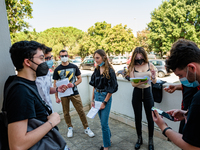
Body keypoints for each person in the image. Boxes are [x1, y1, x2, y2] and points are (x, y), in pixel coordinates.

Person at [3, 41, 62, 149]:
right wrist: (51, 123)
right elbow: (17, 145)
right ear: (28, 62)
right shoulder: (20, 91)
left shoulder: (26, 84)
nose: (45, 62)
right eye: (41, 58)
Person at [152, 39, 200, 149]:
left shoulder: (198, 99)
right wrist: (186, 113)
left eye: (180, 75)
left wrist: (163, 127)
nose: (180, 79)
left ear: (192, 67)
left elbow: (192, 147)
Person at [53, 50, 95, 138]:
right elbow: (55, 84)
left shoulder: (74, 66)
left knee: (81, 111)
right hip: (63, 94)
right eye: (62, 56)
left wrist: (73, 84)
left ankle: (86, 128)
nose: (64, 57)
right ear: (59, 57)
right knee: (66, 112)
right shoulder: (57, 69)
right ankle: (69, 128)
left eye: (65, 55)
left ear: (67, 56)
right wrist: (56, 97)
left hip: (74, 92)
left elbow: (80, 79)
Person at [127, 47, 156, 150]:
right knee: (137, 117)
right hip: (137, 93)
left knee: (150, 118)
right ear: (134, 56)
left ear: (144, 55)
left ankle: (151, 141)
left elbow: (154, 82)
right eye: (137, 56)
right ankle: (139, 139)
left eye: (141, 56)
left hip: (148, 93)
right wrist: (141, 82)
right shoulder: (132, 67)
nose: (139, 58)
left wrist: (153, 76)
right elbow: (133, 84)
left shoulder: (150, 65)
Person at [89, 49, 118, 150]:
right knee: (103, 122)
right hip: (97, 96)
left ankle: (106, 146)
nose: (95, 60)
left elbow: (111, 89)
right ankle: (108, 139)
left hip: (105, 97)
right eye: (95, 58)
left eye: (97, 58)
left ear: (104, 57)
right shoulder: (97, 69)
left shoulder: (110, 71)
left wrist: (105, 102)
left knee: (104, 124)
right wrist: (92, 100)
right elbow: (94, 86)